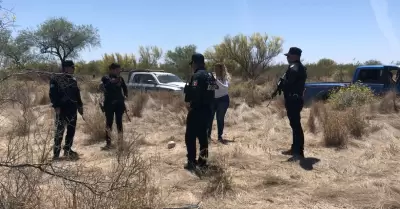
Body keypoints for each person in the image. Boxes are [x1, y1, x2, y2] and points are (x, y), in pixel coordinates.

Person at [184, 53, 217, 170]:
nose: (192, 66)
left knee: (190, 137)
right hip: (208, 111)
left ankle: (191, 162)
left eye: (192, 64)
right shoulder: (210, 76)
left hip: (197, 110)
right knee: (203, 136)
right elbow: (213, 92)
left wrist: (188, 93)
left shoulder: (197, 76)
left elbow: (194, 94)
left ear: (194, 63)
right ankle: (202, 162)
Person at [49, 60, 83, 160]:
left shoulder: (73, 80)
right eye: (72, 67)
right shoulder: (56, 79)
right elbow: (52, 94)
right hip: (62, 109)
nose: (74, 69)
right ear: (66, 68)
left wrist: (80, 106)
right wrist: (56, 107)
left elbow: (77, 94)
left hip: (72, 109)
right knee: (59, 131)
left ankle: (67, 149)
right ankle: (56, 154)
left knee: (71, 131)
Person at [280, 47, 307, 161]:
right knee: (295, 125)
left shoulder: (296, 67)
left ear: (295, 56)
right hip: (294, 99)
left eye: (289, 56)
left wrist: (282, 84)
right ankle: (295, 149)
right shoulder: (296, 67)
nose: (287, 58)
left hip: (294, 100)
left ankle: (298, 151)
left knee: (296, 126)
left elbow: (289, 83)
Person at [100, 63, 128, 150]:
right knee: (109, 123)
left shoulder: (120, 79)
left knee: (119, 123)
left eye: (119, 70)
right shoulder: (105, 78)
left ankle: (120, 142)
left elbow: (125, 88)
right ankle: (108, 143)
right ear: (111, 70)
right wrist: (111, 82)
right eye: (117, 69)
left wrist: (126, 95)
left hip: (119, 104)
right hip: (109, 104)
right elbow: (103, 87)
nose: (118, 71)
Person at [207, 63, 230, 144]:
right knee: (210, 118)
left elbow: (225, 88)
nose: (215, 70)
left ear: (221, 69)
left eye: (217, 68)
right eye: (214, 68)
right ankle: (208, 136)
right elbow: (210, 88)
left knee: (220, 119)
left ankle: (219, 137)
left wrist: (216, 82)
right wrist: (214, 84)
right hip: (213, 100)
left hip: (223, 100)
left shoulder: (225, 78)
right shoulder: (211, 76)